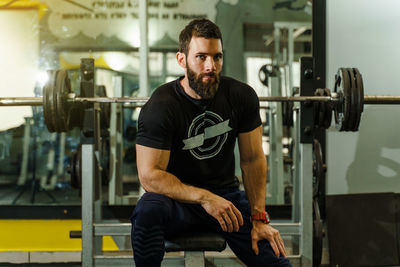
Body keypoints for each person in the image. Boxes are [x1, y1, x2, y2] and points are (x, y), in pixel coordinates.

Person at [131, 18, 292, 267]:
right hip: (177, 201)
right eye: (201, 57)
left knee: (276, 262)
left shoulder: (241, 96)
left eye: (217, 57)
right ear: (181, 60)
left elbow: (252, 159)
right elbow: (150, 176)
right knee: (147, 211)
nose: (211, 66)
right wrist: (205, 198)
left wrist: (259, 217)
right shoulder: (162, 105)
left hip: (226, 201)